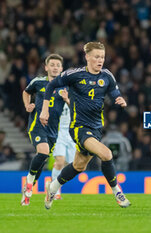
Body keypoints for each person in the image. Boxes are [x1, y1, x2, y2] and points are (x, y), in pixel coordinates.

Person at [40, 42, 130, 209]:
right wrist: (44, 110)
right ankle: (118, 192)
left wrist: (120, 98)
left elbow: (114, 91)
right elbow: (51, 85)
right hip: (79, 127)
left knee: (78, 166)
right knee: (106, 154)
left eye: (102, 57)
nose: (100, 60)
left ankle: (52, 187)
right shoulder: (75, 74)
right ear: (87, 57)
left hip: (96, 128)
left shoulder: (107, 76)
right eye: (96, 57)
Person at [21, 54, 68, 206]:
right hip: (37, 126)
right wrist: (27, 105)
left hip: (54, 130)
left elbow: (75, 105)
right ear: (46, 67)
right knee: (42, 152)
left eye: (57, 65)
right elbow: (26, 92)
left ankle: (29, 189)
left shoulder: (66, 86)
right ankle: (29, 181)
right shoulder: (38, 82)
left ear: (61, 69)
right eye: (52, 65)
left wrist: (68, 99)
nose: (55, 67)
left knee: (42, 159)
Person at [51, 103, 76, 200]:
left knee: (71, 164)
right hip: (58, 132)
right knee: (60, 161)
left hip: (71, 132)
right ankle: (55, 191)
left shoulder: (75, 94)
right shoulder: (56, 94)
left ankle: (56, 171)